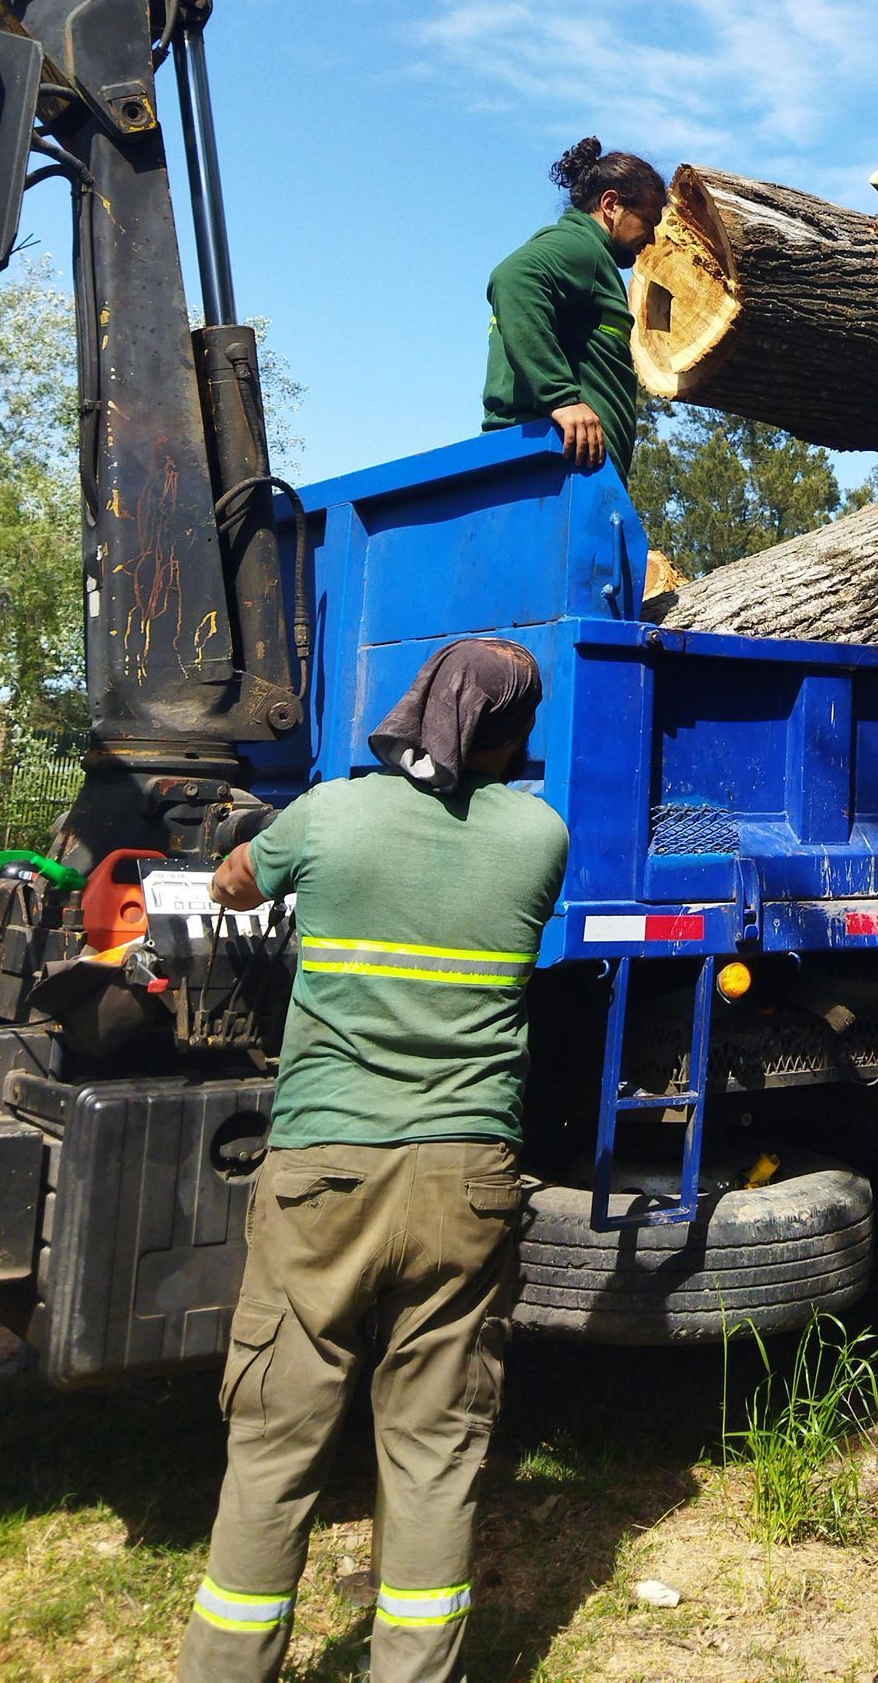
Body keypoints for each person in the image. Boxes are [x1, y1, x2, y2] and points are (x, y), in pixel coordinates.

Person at [178, 638, 569, 1683]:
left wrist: (257, 848)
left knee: (276, 1442)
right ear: (516, 729)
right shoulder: (540, 836)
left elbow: (232, 883)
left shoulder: (331, 814)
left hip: (325, 1175)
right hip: (465, 1182)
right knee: (437, 1447)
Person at [482, 137, 667, 474]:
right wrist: (561, 399)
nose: (652, 238)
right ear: (611, 205)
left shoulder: (591, 258)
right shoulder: (581, 247)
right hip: (550, 464)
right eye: (649, 222)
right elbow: (513, 278)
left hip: (565, 465)